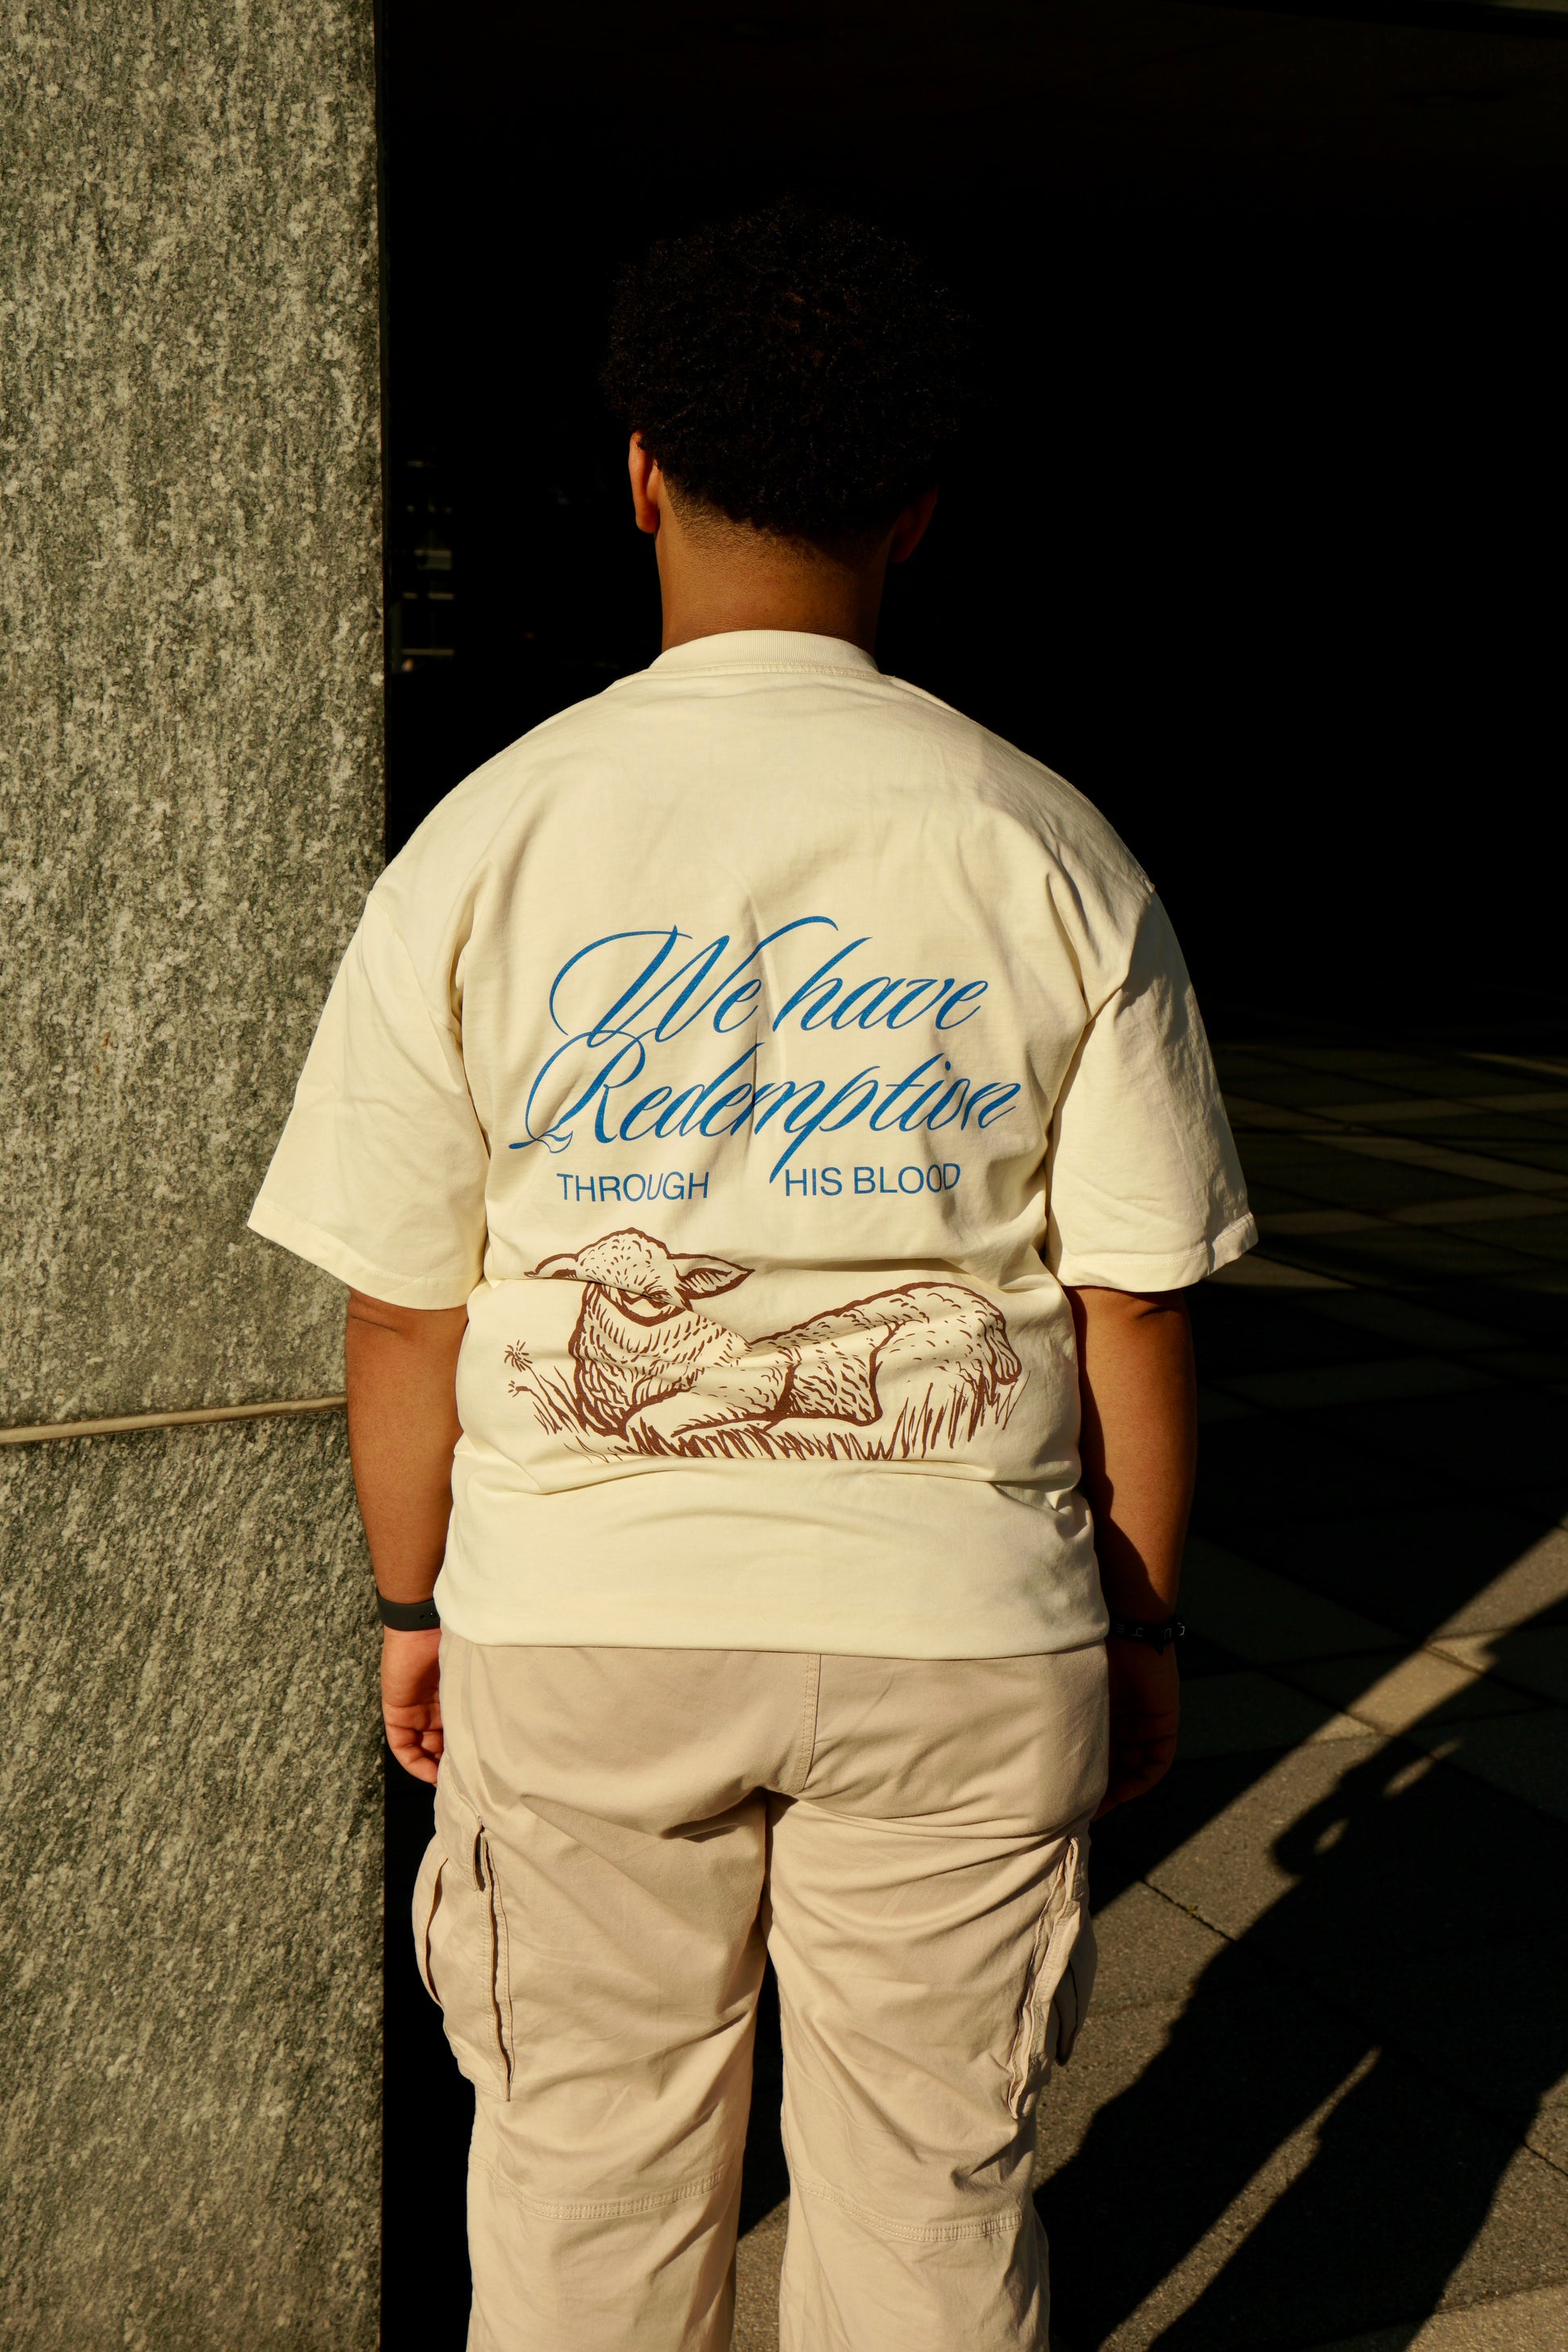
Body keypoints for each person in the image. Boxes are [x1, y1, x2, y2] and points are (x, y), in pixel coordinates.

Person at [250, 202, 1254, 2352]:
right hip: (959, 1626)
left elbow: (407, 1306)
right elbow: (1136, 1303)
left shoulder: (488, 837)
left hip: (584, 1620)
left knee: (583, 2179)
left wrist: (416, 1603)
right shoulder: (1044, 840)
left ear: (638, 474)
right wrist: (1139, 1622)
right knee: (932, 2195)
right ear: (917, 509)